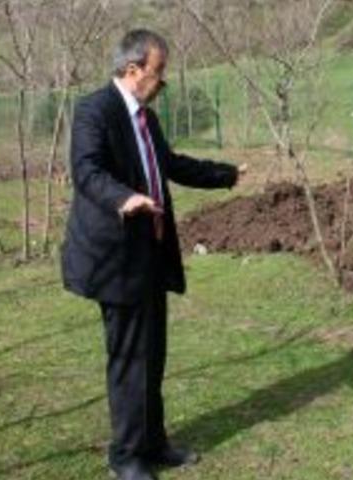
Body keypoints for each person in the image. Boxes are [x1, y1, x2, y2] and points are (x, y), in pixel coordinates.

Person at [61, 29, 242, 480]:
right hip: (114, 259)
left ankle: (154, 443)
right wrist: (124, 198)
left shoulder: (147, 119)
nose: (163, 82)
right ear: (133, 69)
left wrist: (227, 175)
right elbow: (86, 170)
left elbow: (171, 164)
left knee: (153, 355)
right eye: (158, 72)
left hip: (151, 255)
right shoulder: (95, 110)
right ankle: (125, 457)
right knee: (129, 360)